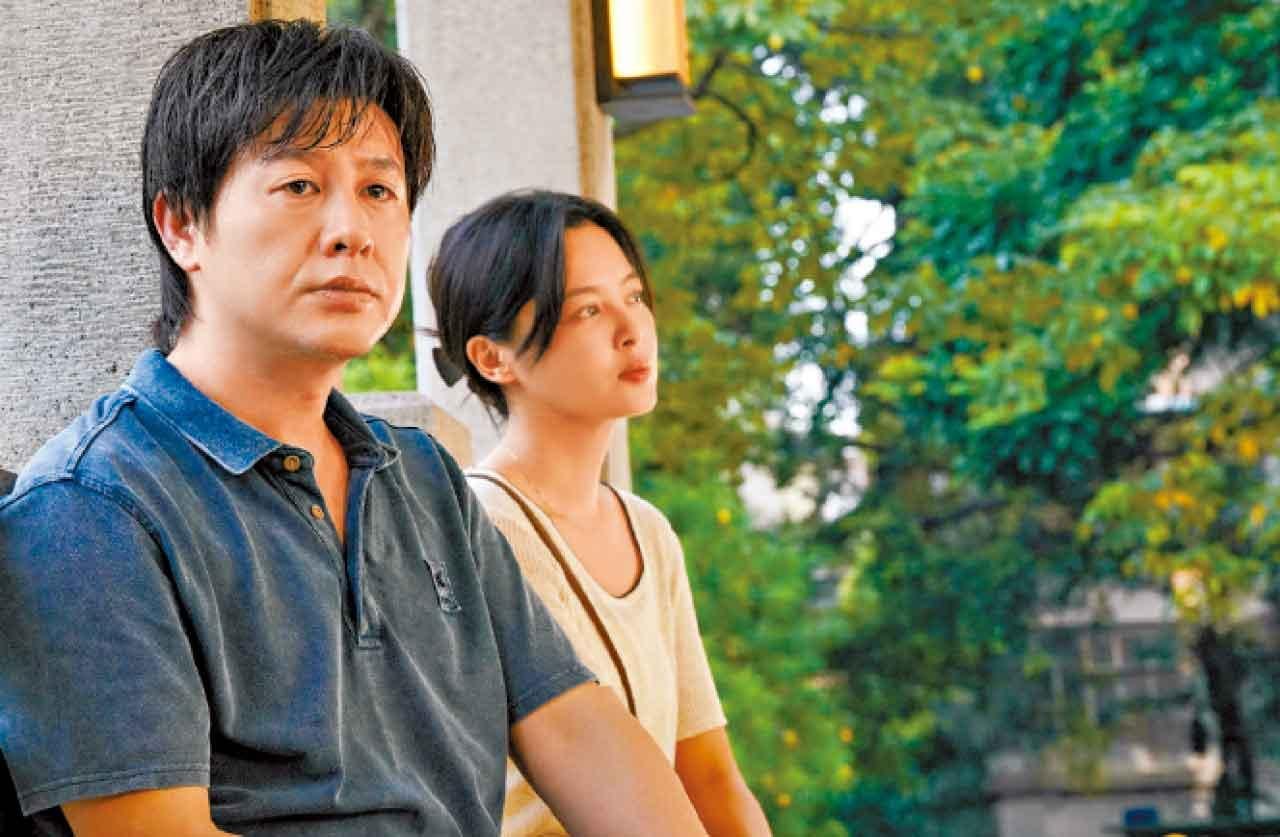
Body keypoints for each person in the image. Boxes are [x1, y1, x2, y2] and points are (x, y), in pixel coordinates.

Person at [0, 21, 709, 837]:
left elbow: (581, 731)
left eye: (379, 190)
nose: (352, 230)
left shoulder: (426, 478)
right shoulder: (89, 507)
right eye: (300, 185)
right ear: (182, 225)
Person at [429, 190, 772, 836]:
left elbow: (708, 775)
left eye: (634, 297)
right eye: (588, 309)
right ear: (492, 356)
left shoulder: (649, 531)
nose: (632, 329)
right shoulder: (471, 527)